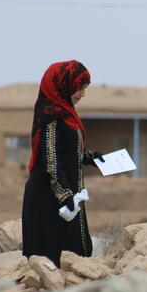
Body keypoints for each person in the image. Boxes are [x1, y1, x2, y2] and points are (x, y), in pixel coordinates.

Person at [21, 60, 104, 267]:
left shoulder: (66, 113)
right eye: (79, 88)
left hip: (64, 196)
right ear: (64, 86)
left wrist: (88, 157)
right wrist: (65, 195)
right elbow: (50, 161)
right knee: (52, 260)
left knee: (73, 258)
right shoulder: (52, 116)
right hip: (49, 200)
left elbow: (63, 150)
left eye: (84, 89)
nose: (82, 94)